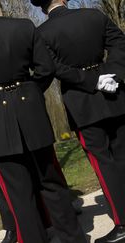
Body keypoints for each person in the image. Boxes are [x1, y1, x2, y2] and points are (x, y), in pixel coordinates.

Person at [0, 1, 86, 242]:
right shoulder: (23, 26)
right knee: (51, 182)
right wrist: (31, 95)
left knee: (19, 193)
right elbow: (45, 69)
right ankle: (73, 238)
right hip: (30, 110)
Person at [31, 1, 125, 242]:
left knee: (103, 162)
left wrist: (89, 81)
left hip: (81, 101)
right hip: (114, 93)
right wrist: (110, 71)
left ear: (42, 7)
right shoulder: (94, 15)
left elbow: (53, 68)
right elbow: (119, 43)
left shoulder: (41, 33)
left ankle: (122, 223)